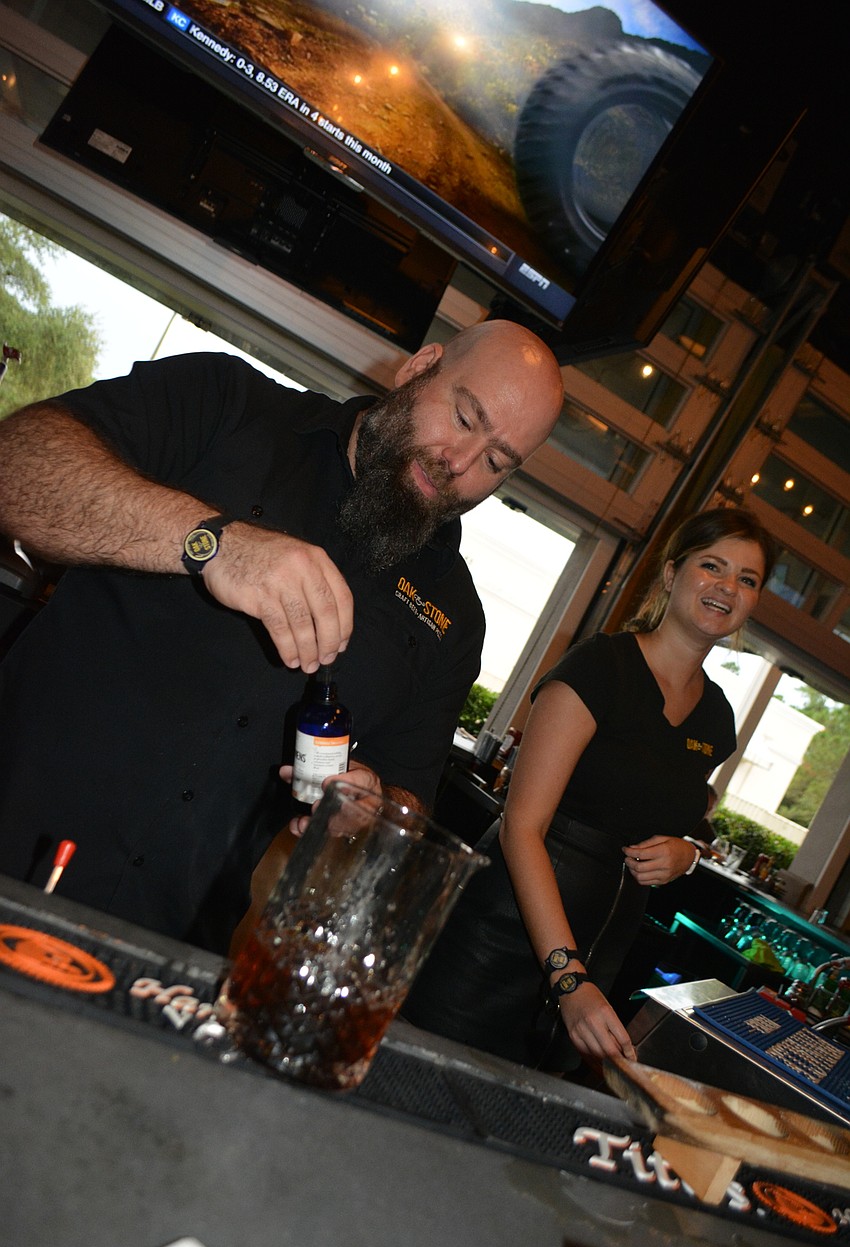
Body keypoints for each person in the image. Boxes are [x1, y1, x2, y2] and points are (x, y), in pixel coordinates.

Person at [0, 320, 564, 952]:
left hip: (173, 943)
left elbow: (410, 795)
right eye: (464, 418)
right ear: (419, 368)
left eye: (494, 462)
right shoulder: (227, 402)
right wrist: (213, 544)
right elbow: (16, 466)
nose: (458, 464)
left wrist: (373, 811)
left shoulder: (454, 615)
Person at [403, 508, 776, 1073]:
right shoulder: (601, 668)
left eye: (747, 579)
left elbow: (679, 805)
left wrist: (689, 853)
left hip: (599, 957)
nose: (728, 587)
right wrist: (567, 976)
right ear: (672, 574)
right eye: (713, 566)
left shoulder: (719, 717)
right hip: (500, 939)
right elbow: (521, 827)